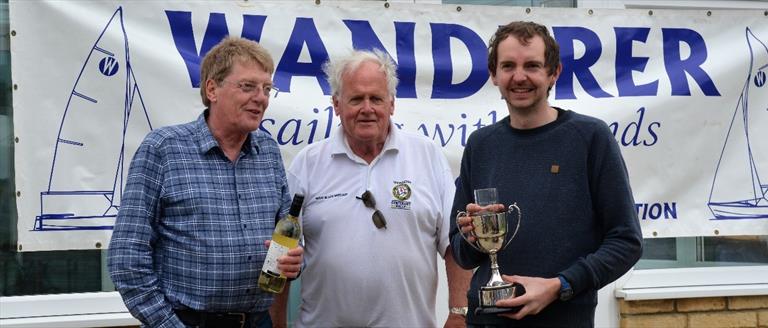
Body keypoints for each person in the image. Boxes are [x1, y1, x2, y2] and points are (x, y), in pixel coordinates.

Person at [450, 21, 643, 327]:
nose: (519, 76)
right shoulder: (480, 145)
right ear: (494, 74)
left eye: (533, 65)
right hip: (486, 321)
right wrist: (472, 237)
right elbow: (462, 254)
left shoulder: (590, 138)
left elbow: (626, 241)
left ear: (554, 73)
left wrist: (560, 286)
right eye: (508, 66)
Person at [108, 37, 303, 328]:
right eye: (248, 86)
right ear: (212, 89)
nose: (261, 97)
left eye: (266, 89)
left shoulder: (268, 152)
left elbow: (288, 235)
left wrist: (295, 261)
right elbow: (127, 259)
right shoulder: (163, 149)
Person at [284, 49, 472, 327]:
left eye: (376, 98)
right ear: (337, 104)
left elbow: (455, 244)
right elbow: (283, 254)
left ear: (392, 103)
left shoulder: (427, 156)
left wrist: (458, 313)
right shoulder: (307, 164)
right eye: (356, 99)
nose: (367, 108)